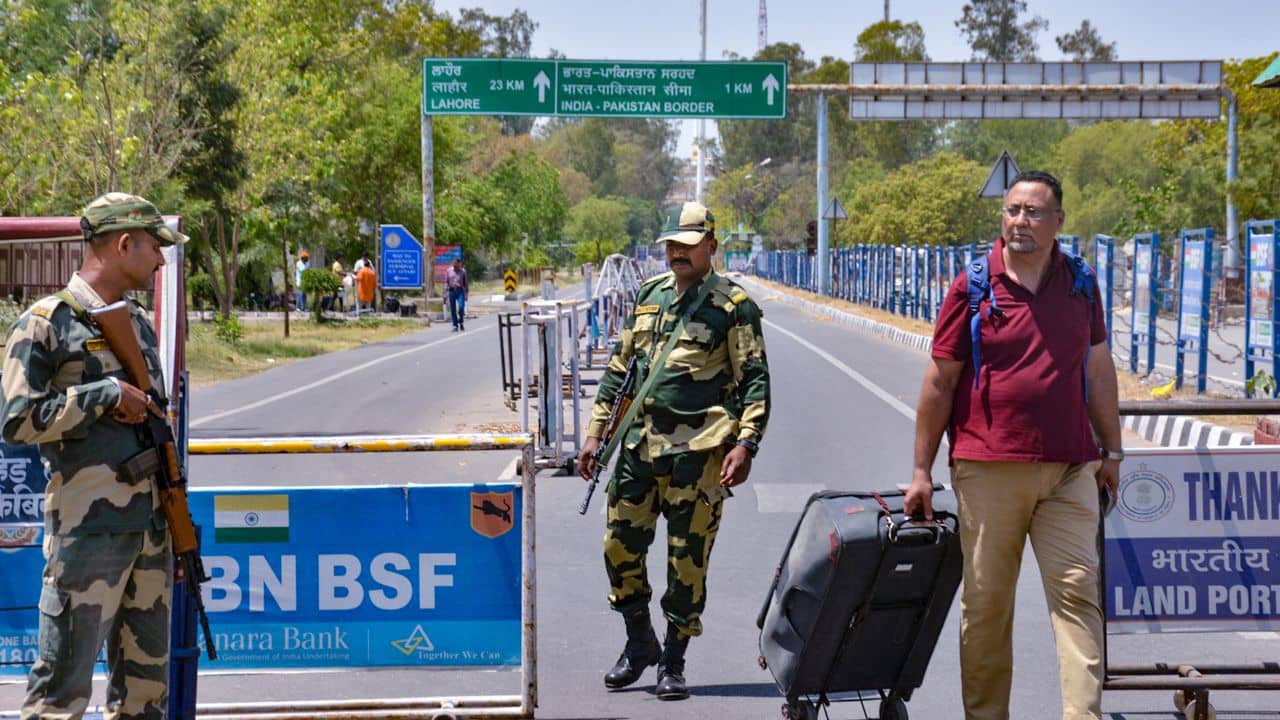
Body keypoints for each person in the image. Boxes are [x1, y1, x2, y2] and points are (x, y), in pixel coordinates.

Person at [905, 171, 1122, 720]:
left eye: (1033, 212)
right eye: (1013, 211)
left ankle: (1082, 716)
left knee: (1079, 597)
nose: (1020, 221)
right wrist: (921, 471)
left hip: (1071, 467)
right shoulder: (972, 285)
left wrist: (1113, 452)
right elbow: (940, 382)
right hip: (989, 466)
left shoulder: (1081, 282)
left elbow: (1098, 370)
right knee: (987, 608)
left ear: (1058, 222)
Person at [1, 192, 187, 720]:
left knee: (146, 699)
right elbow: (16, 420)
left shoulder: (139, 325)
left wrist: (174, 527)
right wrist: (103, 395)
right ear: (124, 243)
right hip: (87, 539)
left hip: (149, 534)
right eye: (153, 247)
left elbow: (157, 426)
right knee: (60, 697)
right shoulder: (45, 324)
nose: (158, 260)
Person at [576, 201, 771, 701]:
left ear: (711, 245)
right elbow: (620, 372)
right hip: (638, 449)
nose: (677, 252)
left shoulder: (733, 306)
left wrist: (745, 444)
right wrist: (597, 433)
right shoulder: (648, 296)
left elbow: (754, 381)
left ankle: (674, 661)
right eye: (671, 244)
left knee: (687, 562)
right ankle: (640, 641)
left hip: (698, 457)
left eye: (687, 244)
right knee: (618, 548)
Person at [445, 257, 469, 331]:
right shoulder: (449, 271)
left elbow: (466, 284)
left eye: (456, 263)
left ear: (459, 264)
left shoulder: (463, 272)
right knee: (453, 309)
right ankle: (455, 325)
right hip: (452, 291)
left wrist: (466, 294)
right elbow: (446, 282)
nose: (455, 265)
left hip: (460, 291)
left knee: (461, 307)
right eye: (454, 263)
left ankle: (461, 321)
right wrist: (445, 292)